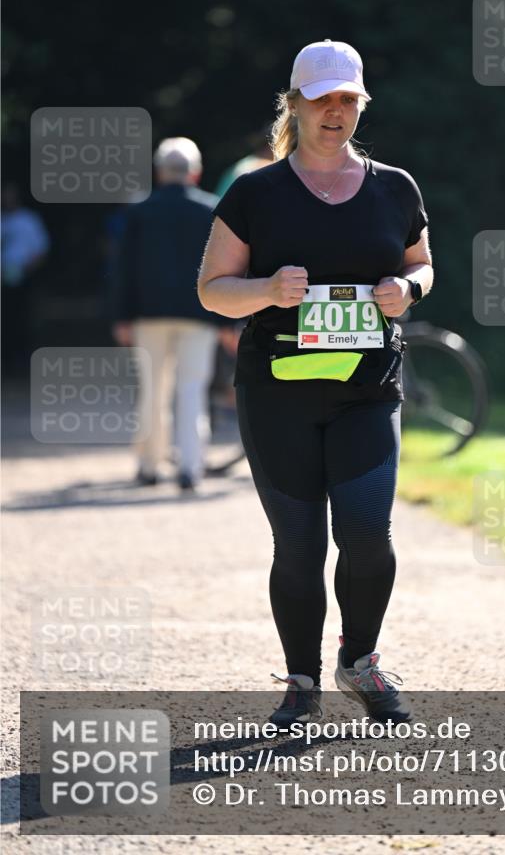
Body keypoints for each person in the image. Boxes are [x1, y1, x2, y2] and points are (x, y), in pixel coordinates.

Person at [198, 40, 433, 725]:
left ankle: (358, 661)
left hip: (367, 387)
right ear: (294, 104)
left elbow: (422, 263)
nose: (334, 112)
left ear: (360, 105)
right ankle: (301, 681)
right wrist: (267, 289)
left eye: (346, 100)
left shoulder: (395, 186)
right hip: (277, 395)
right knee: (297, 544)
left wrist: (407, 289)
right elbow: (214, 291)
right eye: (321, 99)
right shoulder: (255, 192)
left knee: (367, 535)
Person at [110, 138, 224, 492]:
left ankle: (149, 465)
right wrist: (226, 319)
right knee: (192, 389)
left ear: (159, 172)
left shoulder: (138, 212)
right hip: (200, 314)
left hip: (149, 314)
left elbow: (122, 269)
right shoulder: (212, 210)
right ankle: (190, 466)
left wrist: (121, 316)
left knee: (152, 390)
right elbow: (225, 266)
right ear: (196, 172)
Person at [1, 182, 50, 376]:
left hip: (24, 279)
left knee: (21, 317)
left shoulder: (28, 220)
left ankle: (21, 358)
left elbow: (41, 249)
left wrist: (27, 270)